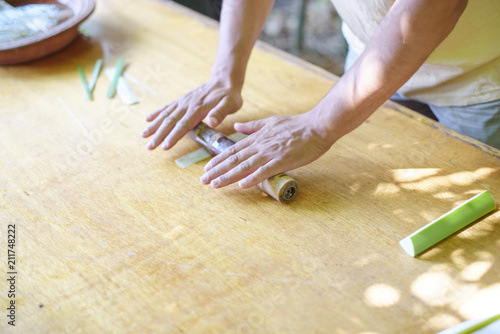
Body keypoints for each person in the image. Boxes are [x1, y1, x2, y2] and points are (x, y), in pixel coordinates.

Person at [141, 0, 500, 192]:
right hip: (370, 60)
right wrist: (225, 75)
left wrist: (317, 125)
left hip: (482, 77)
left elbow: (432, 7)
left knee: (480, 207)